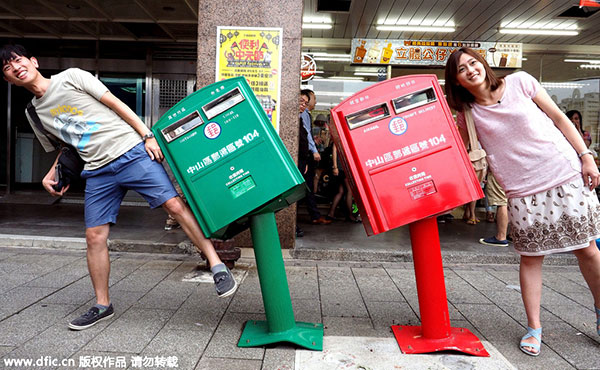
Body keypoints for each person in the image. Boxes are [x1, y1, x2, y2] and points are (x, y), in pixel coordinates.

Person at [1, 44, 237, 330]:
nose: (15, 67)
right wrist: (51, 174)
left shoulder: (72, 76)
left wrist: (147, 135)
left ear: (33, 61)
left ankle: (216, 265)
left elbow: (115, 103)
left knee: (173, 204)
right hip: (97, 171)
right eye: (7, 67)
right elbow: (66, 145)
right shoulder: (33, 113)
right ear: (8, 79)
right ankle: (102, 305)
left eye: (18, 60)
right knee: (94, 236)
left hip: (130, 152)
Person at [445, 47, 600, 357]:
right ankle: (534, 327)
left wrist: (586, 156)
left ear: (483, 64)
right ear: (458, 81)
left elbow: (558, 117)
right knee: (531, 257)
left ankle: (599, 312)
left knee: (587, 249)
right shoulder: (468, 115)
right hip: (522, 191)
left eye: (473, 62)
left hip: (563, 173)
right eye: (462, 69)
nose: (470, 70)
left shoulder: (521, 81)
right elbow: (460, 152)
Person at [299, 89, 331, 225]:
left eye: (307, 101)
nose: (315, 102)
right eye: (314, 99)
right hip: (304, 156)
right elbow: (305, 133)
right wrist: (313, 150)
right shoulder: (304, 114)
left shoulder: (306, 114)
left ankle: (314, 214)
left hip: (305, 154)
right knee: (308, 185)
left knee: (308, 186)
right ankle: (314, 215)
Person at [479, 171, 509, 247]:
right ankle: (513, 234)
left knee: (501, 201)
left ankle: (501, 237)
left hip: (500, 168)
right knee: (512, 199)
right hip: (516, 170)